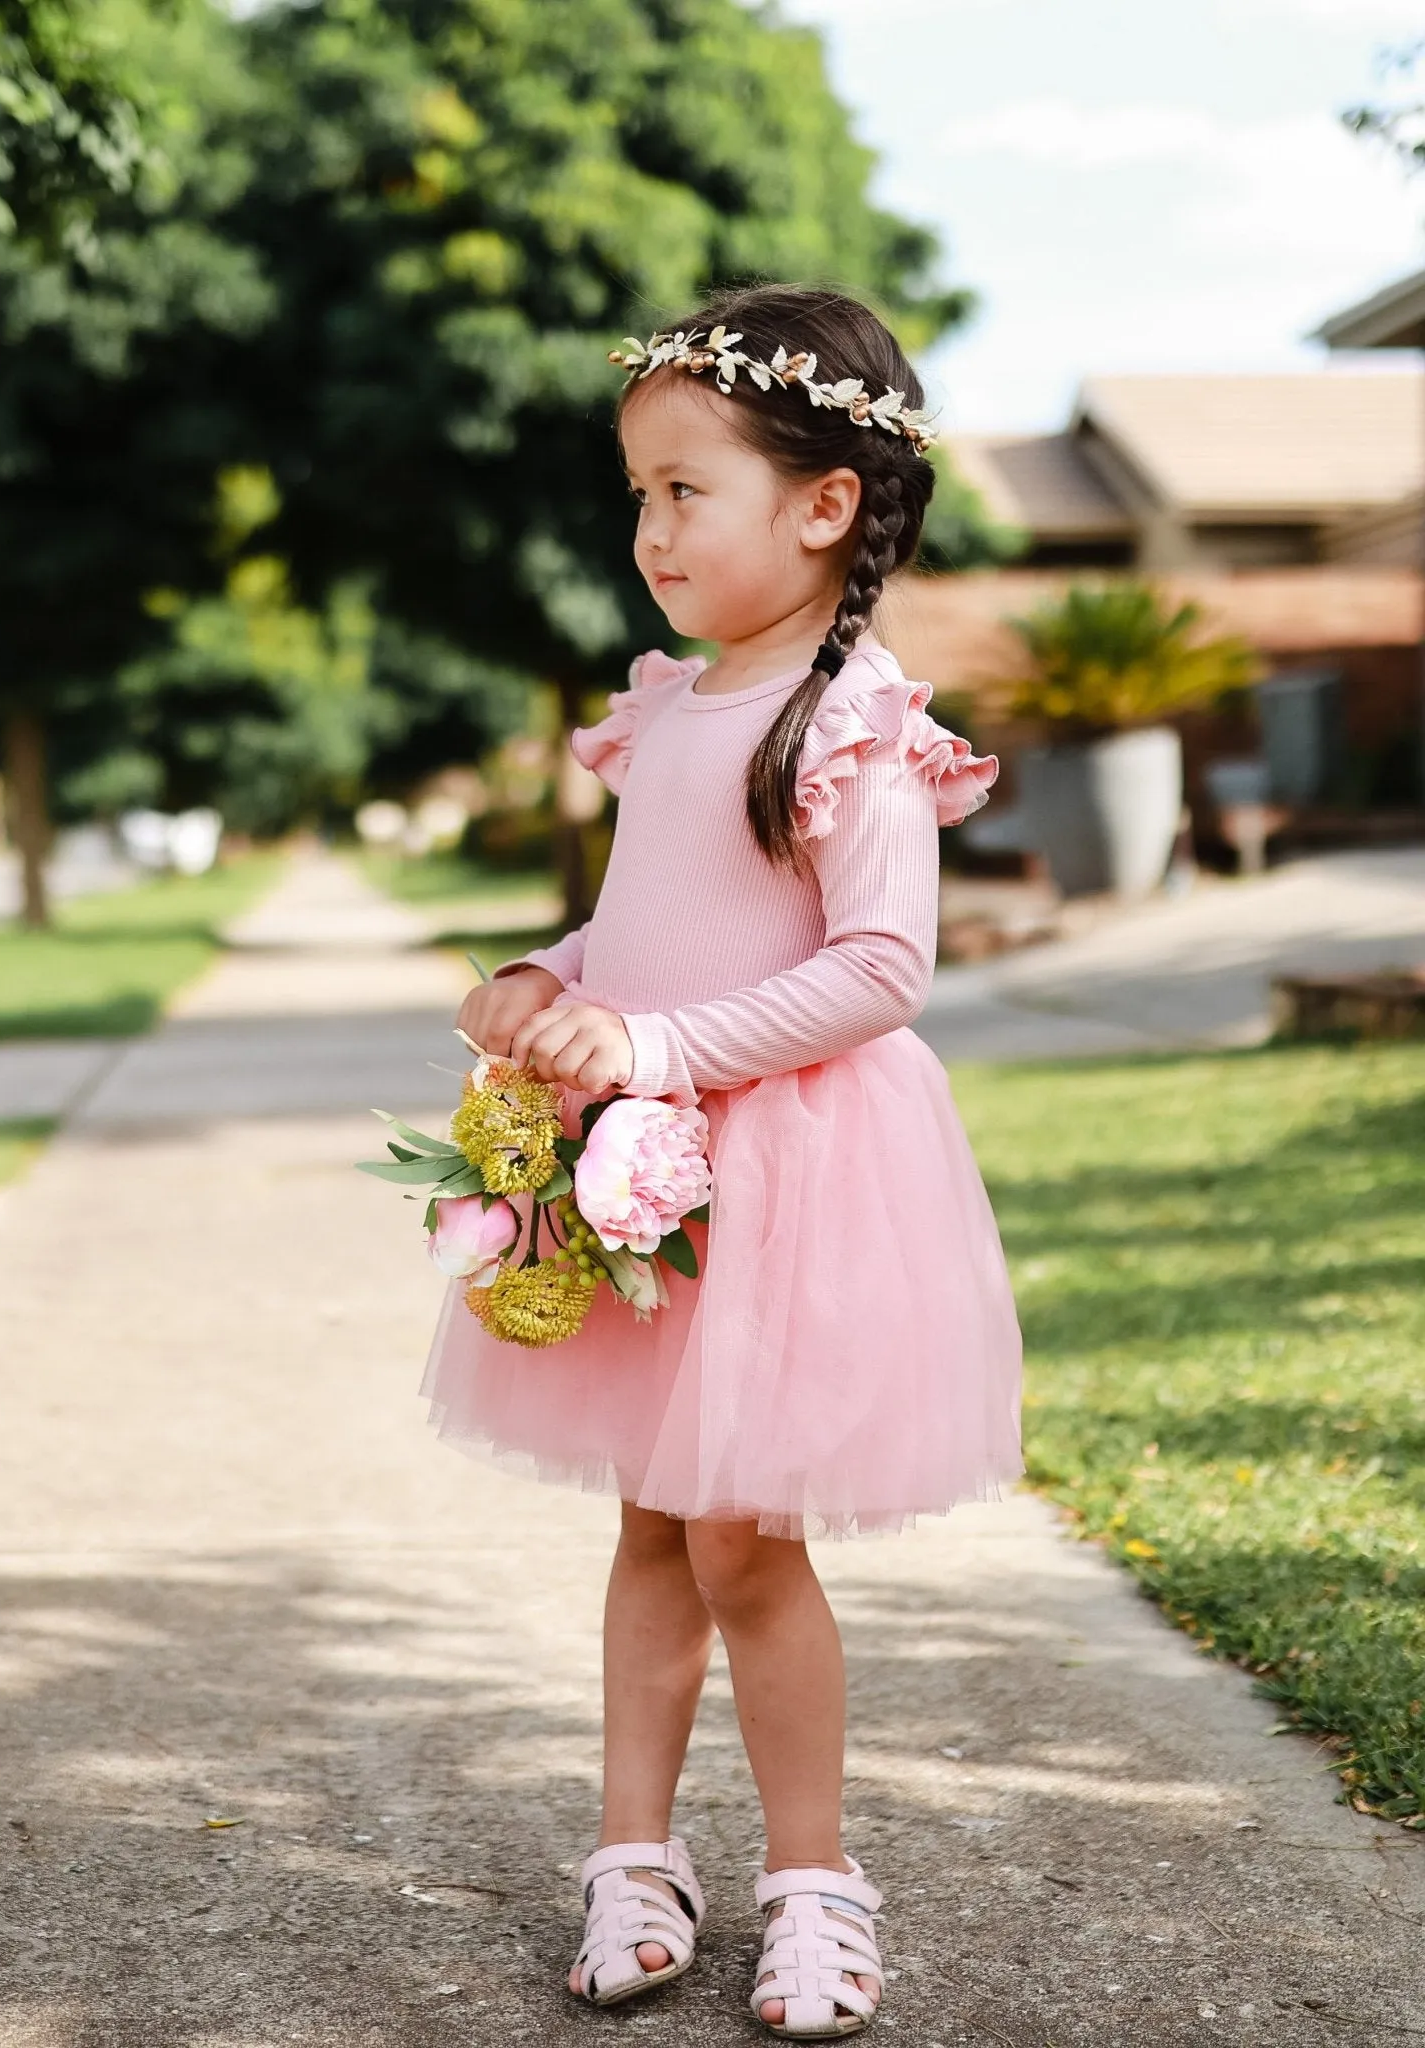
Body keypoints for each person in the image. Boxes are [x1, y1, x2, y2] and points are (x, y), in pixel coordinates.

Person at [430, 284, 1023, 2039]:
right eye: (639, 494)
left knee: (747, 1550)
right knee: (646, 1529)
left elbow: (881, 969)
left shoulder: (853, 725)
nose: (649, 530)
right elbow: (647, 925)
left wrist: (664, 1050)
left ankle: (815, 1884)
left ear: (822, 504)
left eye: (686, 489)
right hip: (649, 1184)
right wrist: (554, 984)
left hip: (785, 1187)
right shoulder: (670, 711)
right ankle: (632, 1851)